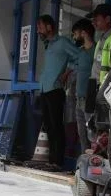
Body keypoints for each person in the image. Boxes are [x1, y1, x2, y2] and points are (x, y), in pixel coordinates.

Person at [36, 15, 84, 171]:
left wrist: (67, 72)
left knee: (57, 125)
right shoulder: (48, 44)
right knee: (48, 125)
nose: (39, 30)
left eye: (41, 27)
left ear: (50, 27)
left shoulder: (62, 42)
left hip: (55, 89)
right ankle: (51, 160)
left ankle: (58, 161)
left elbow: (79, 56)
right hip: (44, 88)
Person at [71, 19, 96, 154]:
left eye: (76, 34)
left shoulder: (96, 51)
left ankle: (94, 159)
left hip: (90, 97)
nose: (74, 37)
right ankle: (84, 159)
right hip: (79, 97)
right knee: (81, 132)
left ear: (84, 33)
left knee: (91, 131)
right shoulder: (79, 52)